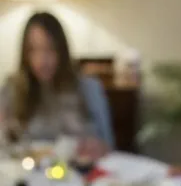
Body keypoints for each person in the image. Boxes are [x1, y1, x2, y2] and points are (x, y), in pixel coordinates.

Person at [0, 12, 114, 160]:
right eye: (33, 50)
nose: (42, 60)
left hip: (78, 175)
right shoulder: (12, 89)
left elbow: (109, 147)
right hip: (29, 176)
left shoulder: (88, 88)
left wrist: (99, 147)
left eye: (50, 49)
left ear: (62, 50)